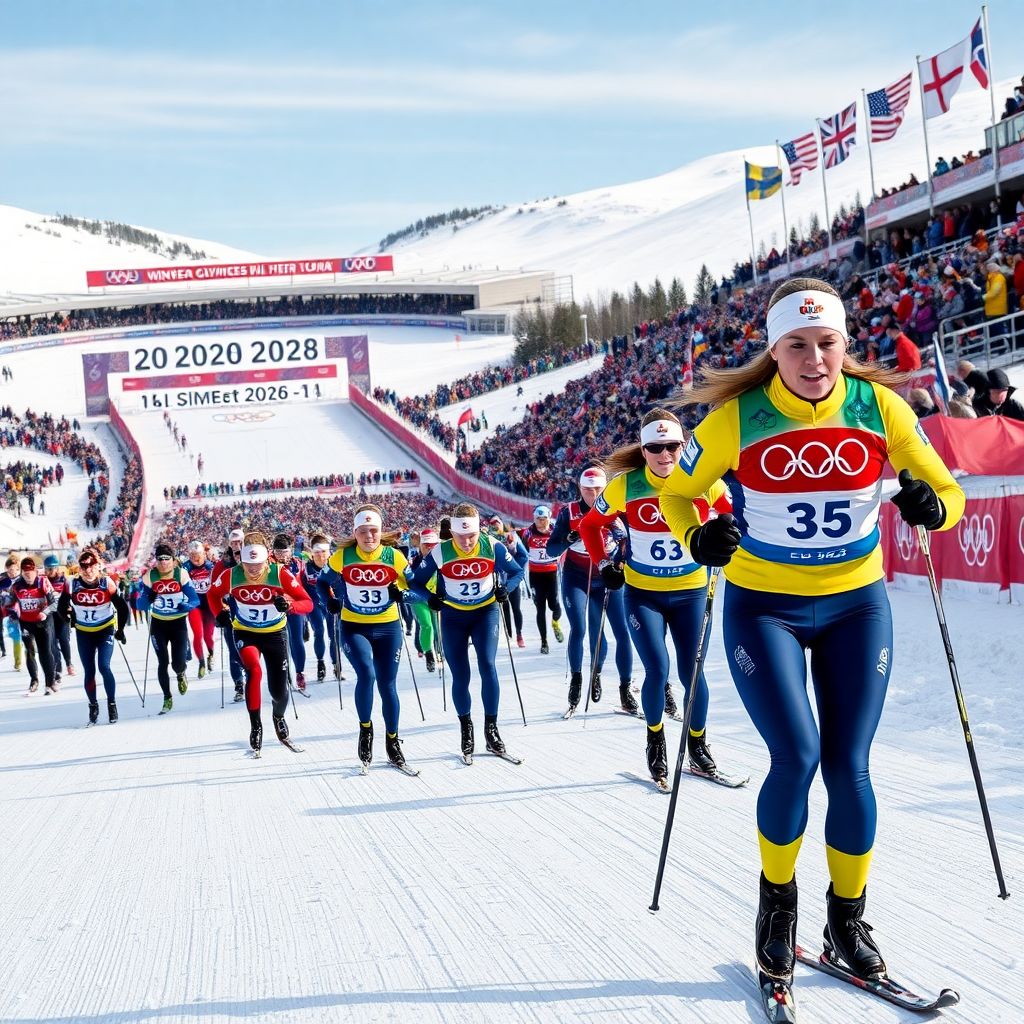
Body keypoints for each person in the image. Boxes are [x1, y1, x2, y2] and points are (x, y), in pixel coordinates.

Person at [659, 276, 965, 995]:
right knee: (795, 756)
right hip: (764, 607)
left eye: (827, 342)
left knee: (849, 764)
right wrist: (698, 535)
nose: (815, 358)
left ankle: (846, 923)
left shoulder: (880, 407)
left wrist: (931, 506)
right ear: (775, 350)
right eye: (797, 345)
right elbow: (677, 493)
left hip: (857, 606)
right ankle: (777, 908)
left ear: (844, 344)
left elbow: (946, 494)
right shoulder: (739, 418)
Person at [580, 410, 730, 784]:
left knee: (691, 673)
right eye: (655, 448)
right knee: (658, 670)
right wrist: (603, 566)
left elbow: (737, 517)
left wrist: (724, 542)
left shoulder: (705, 481)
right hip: (643, 594)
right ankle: (656, 740)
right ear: (643, 450)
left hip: (692, 593)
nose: (665, 455)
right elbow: (590, 525)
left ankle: (697, 745)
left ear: (685, 445)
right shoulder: (624, 486)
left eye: (673, 446)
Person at [407, 503, 524, 760]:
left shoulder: (492, 545)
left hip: (485, 612)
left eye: (471, 535)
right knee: (460, 675)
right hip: (453, 616)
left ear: (478, 529)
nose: (467, 541)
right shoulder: (440, 552)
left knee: (488, 665)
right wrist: (430, 598)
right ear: (452, 532)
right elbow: (415, 582)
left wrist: (506, 589)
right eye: (461, 536)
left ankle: (491, 730)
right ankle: (466, 729)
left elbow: (517, 571)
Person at [318, 505, 414, 770]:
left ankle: (392, 741)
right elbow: (321, 583)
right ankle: (365, 730)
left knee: (388, 684)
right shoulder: (343, 556)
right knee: (367, 675)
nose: (369, 536)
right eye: (363, 532)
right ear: (355, 533)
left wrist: (401, 594)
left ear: (380, 532)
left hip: (387, 626)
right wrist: (330, 601)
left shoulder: (393, 556)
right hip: (354, 626)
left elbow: (413, 587)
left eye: (373, 531)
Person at [207, 532, 312, 755]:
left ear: (267, 559)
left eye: (258, 564)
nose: (253, 570)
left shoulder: (279, 573)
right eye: (248, 564)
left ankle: (278, 716)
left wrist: (289, 606)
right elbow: (212, 594)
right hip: (246, 631)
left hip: (275, 633)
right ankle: (256, 726)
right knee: (253, 671)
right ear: (241, 560)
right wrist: (220, 613)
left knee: (278, 689)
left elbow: (307, 602)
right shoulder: (231, 575)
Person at [547, 466, 636, 714]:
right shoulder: (570, 512)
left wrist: (620, 562)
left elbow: (630, 542)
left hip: (608, 578)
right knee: (579, 628)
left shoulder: (617, 510)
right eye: (587, 490)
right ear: (580, 489)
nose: (593, 494)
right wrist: (568, 539)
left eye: (598, 489)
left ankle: (623, 688)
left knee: (620, 632)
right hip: (577, 577)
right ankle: (576, 680)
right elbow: (552, 550)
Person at [57, 548, 129, 725]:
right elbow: (61, 606)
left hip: (105, 629)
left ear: (98, 566)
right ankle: (93, 705)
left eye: (92, 566)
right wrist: (69, 617)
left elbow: (122, 607)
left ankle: (111, 704)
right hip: (84, 633)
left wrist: (119, 631)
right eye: (84, 566)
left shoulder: (107, 583)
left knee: (104, 666)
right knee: (89, 671)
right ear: (79, 568)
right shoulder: (72, 584)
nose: (88, 570)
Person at [136, 544, 200, 714]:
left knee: (177, 663)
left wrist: (186, 606)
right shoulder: (150, 576)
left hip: (178, 624)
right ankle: (167, 697)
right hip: (158, 624)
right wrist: (148, 597)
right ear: (156, 561)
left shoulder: (181, 574)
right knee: (162, 662)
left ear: (173, 560)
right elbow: (140, 605)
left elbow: (195, 600)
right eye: (160, 559)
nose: (163, 562)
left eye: (166, 559)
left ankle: (180, 674)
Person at [9, 557, 59, 693]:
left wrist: (45, 612)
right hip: (26, 622)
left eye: (30, 573)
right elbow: (10, 603)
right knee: (29, 651)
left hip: (42, 622)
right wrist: (12, 612)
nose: (28, 576)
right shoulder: (16, 586)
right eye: (25, 574)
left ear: (36, 572)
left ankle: (50, 682)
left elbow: (54, 604)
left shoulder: (43, 582)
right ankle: (34, 680)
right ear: (22, 573)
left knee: (44, 652)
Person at [520, 505, 563, 654]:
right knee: (540, 608)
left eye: (543, 518)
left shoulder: (554, 531)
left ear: (548, 518)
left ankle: (555, 622)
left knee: (554, 605)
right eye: (538, 519)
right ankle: (544, 642)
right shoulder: (528, 533)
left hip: (551, 574)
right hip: (535, 575)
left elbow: (563, 544)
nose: (541, 522)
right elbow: (521, 551)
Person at [299, 533, 340, 682]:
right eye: (317, 552)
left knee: (333, 635)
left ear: (329, 552)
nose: (320, 556)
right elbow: (301, 589)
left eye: (323, 552)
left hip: (330, 603)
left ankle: (336, 665)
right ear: (312, 553)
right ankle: (320, 663)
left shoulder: (335, 565)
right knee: (319, 632)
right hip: (315, 605)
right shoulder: (306, 568)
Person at [212, 529, 247, 702]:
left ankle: (253, 677)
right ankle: (239, 684)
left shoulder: (252, 557)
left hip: (249, 610)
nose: (236, 546)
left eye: (239, 542)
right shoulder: (223, 563)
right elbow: (213, 591)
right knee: (233, 649)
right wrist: (219, 612)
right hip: (230, 609)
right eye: (233, 543)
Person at [271, 533, 309, 690]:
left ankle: (300, 672)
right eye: (278, 552)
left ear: (291, 551)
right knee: (280, 643)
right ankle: (284, 675)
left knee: (297, 640)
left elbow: (306, 586)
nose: (281, 556)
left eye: (284, 552)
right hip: (276, 607)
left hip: (294, 607)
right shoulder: (269, 565)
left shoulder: (299, 564)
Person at [485, 515, 529, 649]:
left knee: (516, 607)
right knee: (504, 608)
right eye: (492, 523)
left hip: (511, 579)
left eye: (497, 522)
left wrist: (514, 567)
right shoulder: (489, 540)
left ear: (501, 523)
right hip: (498, 580)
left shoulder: (511, 536)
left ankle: (519, 634)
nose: (495, 525)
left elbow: (524, 555)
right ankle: (509, 634)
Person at [406, 528, 444, 671]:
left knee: (438, 627)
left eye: (433, 545)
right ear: (420, 545)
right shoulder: (414, 562)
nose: (429, 548)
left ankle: (441, 651)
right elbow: (411, 583)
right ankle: (428, 654)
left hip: (437, 597)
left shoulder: (441, 559)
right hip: (420, 599)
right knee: (426, 625)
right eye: (426, 545)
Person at [185, 540, 217, 678]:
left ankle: (211, 653)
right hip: (195, 605)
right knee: (198, 635)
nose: (196, 560)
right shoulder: (185, 567)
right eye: (192, 556)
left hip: (209, 605)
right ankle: (202, 662)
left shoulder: (211, 566)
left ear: (204, 554)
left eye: (198, 556)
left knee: (208, 636)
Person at [43, 554, 75, 682]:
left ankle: (69, 663)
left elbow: (71, 596)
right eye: (47, 569)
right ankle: (58, 668)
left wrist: (70, 608)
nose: (49, 572)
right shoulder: (43, 581)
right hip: (50, 615)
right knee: (52, 643)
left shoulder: (64, 580)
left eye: (52, 569)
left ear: (57, 568)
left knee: (63, 640)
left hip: (62, 615)